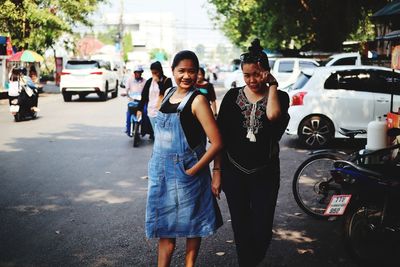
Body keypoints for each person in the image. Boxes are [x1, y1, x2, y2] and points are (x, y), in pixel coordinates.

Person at [213, 38, 290, 267]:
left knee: (263, 227)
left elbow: (274, 117)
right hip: (233, 170)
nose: (252, 80)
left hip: (265, 173)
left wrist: (273, 86)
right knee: (240, 225)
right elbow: (220, 137)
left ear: (266, 72)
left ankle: (250, 260)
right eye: (247, 75)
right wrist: (217, 171)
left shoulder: (280, 97)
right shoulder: (231, 97)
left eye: (257, 74)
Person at [145, 50, 223, 267]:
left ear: (198, 73)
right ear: (173, 71)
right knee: (164, 229)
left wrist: (195, 169)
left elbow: (217, 142)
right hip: (162, 173)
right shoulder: (168, 93)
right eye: (181, 71)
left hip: (189, 173)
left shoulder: (198, 100)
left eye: (191, 71)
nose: (186, 76)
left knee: (193, 224)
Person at [138, 61, 173, 137]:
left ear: (160, 71)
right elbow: (144, 96)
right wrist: (139, 109)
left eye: (156, 72)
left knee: (163, 133)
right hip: (151, 111)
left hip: (163, 112)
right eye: (153, 73)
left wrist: (159, 83)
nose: (154, 75)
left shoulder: (167, 81)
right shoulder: (149, 82)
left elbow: (167, 94)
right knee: (156, 133)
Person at [123, 66, 147, 136]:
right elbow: (126, 89)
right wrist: (126, 93)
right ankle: (128, 129)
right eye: (136, 73)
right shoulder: (130, 80)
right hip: (132, 101)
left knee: (145, 113)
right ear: (134, 73)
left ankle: (144, 130)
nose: (137, 74)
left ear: (141, 73)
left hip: (142, 102)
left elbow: (147, 91)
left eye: (139, 73)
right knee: (128, 114)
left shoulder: (145, 81)